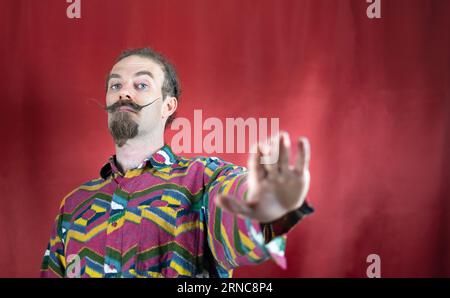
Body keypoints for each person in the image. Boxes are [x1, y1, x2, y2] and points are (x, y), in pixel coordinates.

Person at [40, 47, 314, 278]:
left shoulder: (204, 178)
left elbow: (236, 212)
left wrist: (263, 205)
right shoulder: (74, 205)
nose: (124, 93)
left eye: (141, 85)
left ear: (168, 106)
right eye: (116, 85)